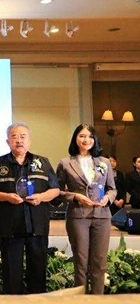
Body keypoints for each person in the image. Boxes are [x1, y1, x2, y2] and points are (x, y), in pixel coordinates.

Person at [0, 123, 59, 294]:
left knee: (38, 272)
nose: (19, 140)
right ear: (7, 141)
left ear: (30, 140)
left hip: (37, 224)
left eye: (23, 136)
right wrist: (6, 197)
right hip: (9, 225)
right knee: (11, 274)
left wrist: (41, 197)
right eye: (14, 136)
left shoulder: (43, 162)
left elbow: (55, 189)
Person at [56, 124, 116, 294]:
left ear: (95, 139)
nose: (86, 140)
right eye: (82, 136)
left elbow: (112, 189)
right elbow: (57, 191)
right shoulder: (65, 163)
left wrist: (107, 198)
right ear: (75, 138)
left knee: (99, 262)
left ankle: (97, 301)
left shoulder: (104, 162)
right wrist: (75, 196)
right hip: (78, 216)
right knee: (81, 262)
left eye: (90, 136)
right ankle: (80, 302)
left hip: (102, 216)